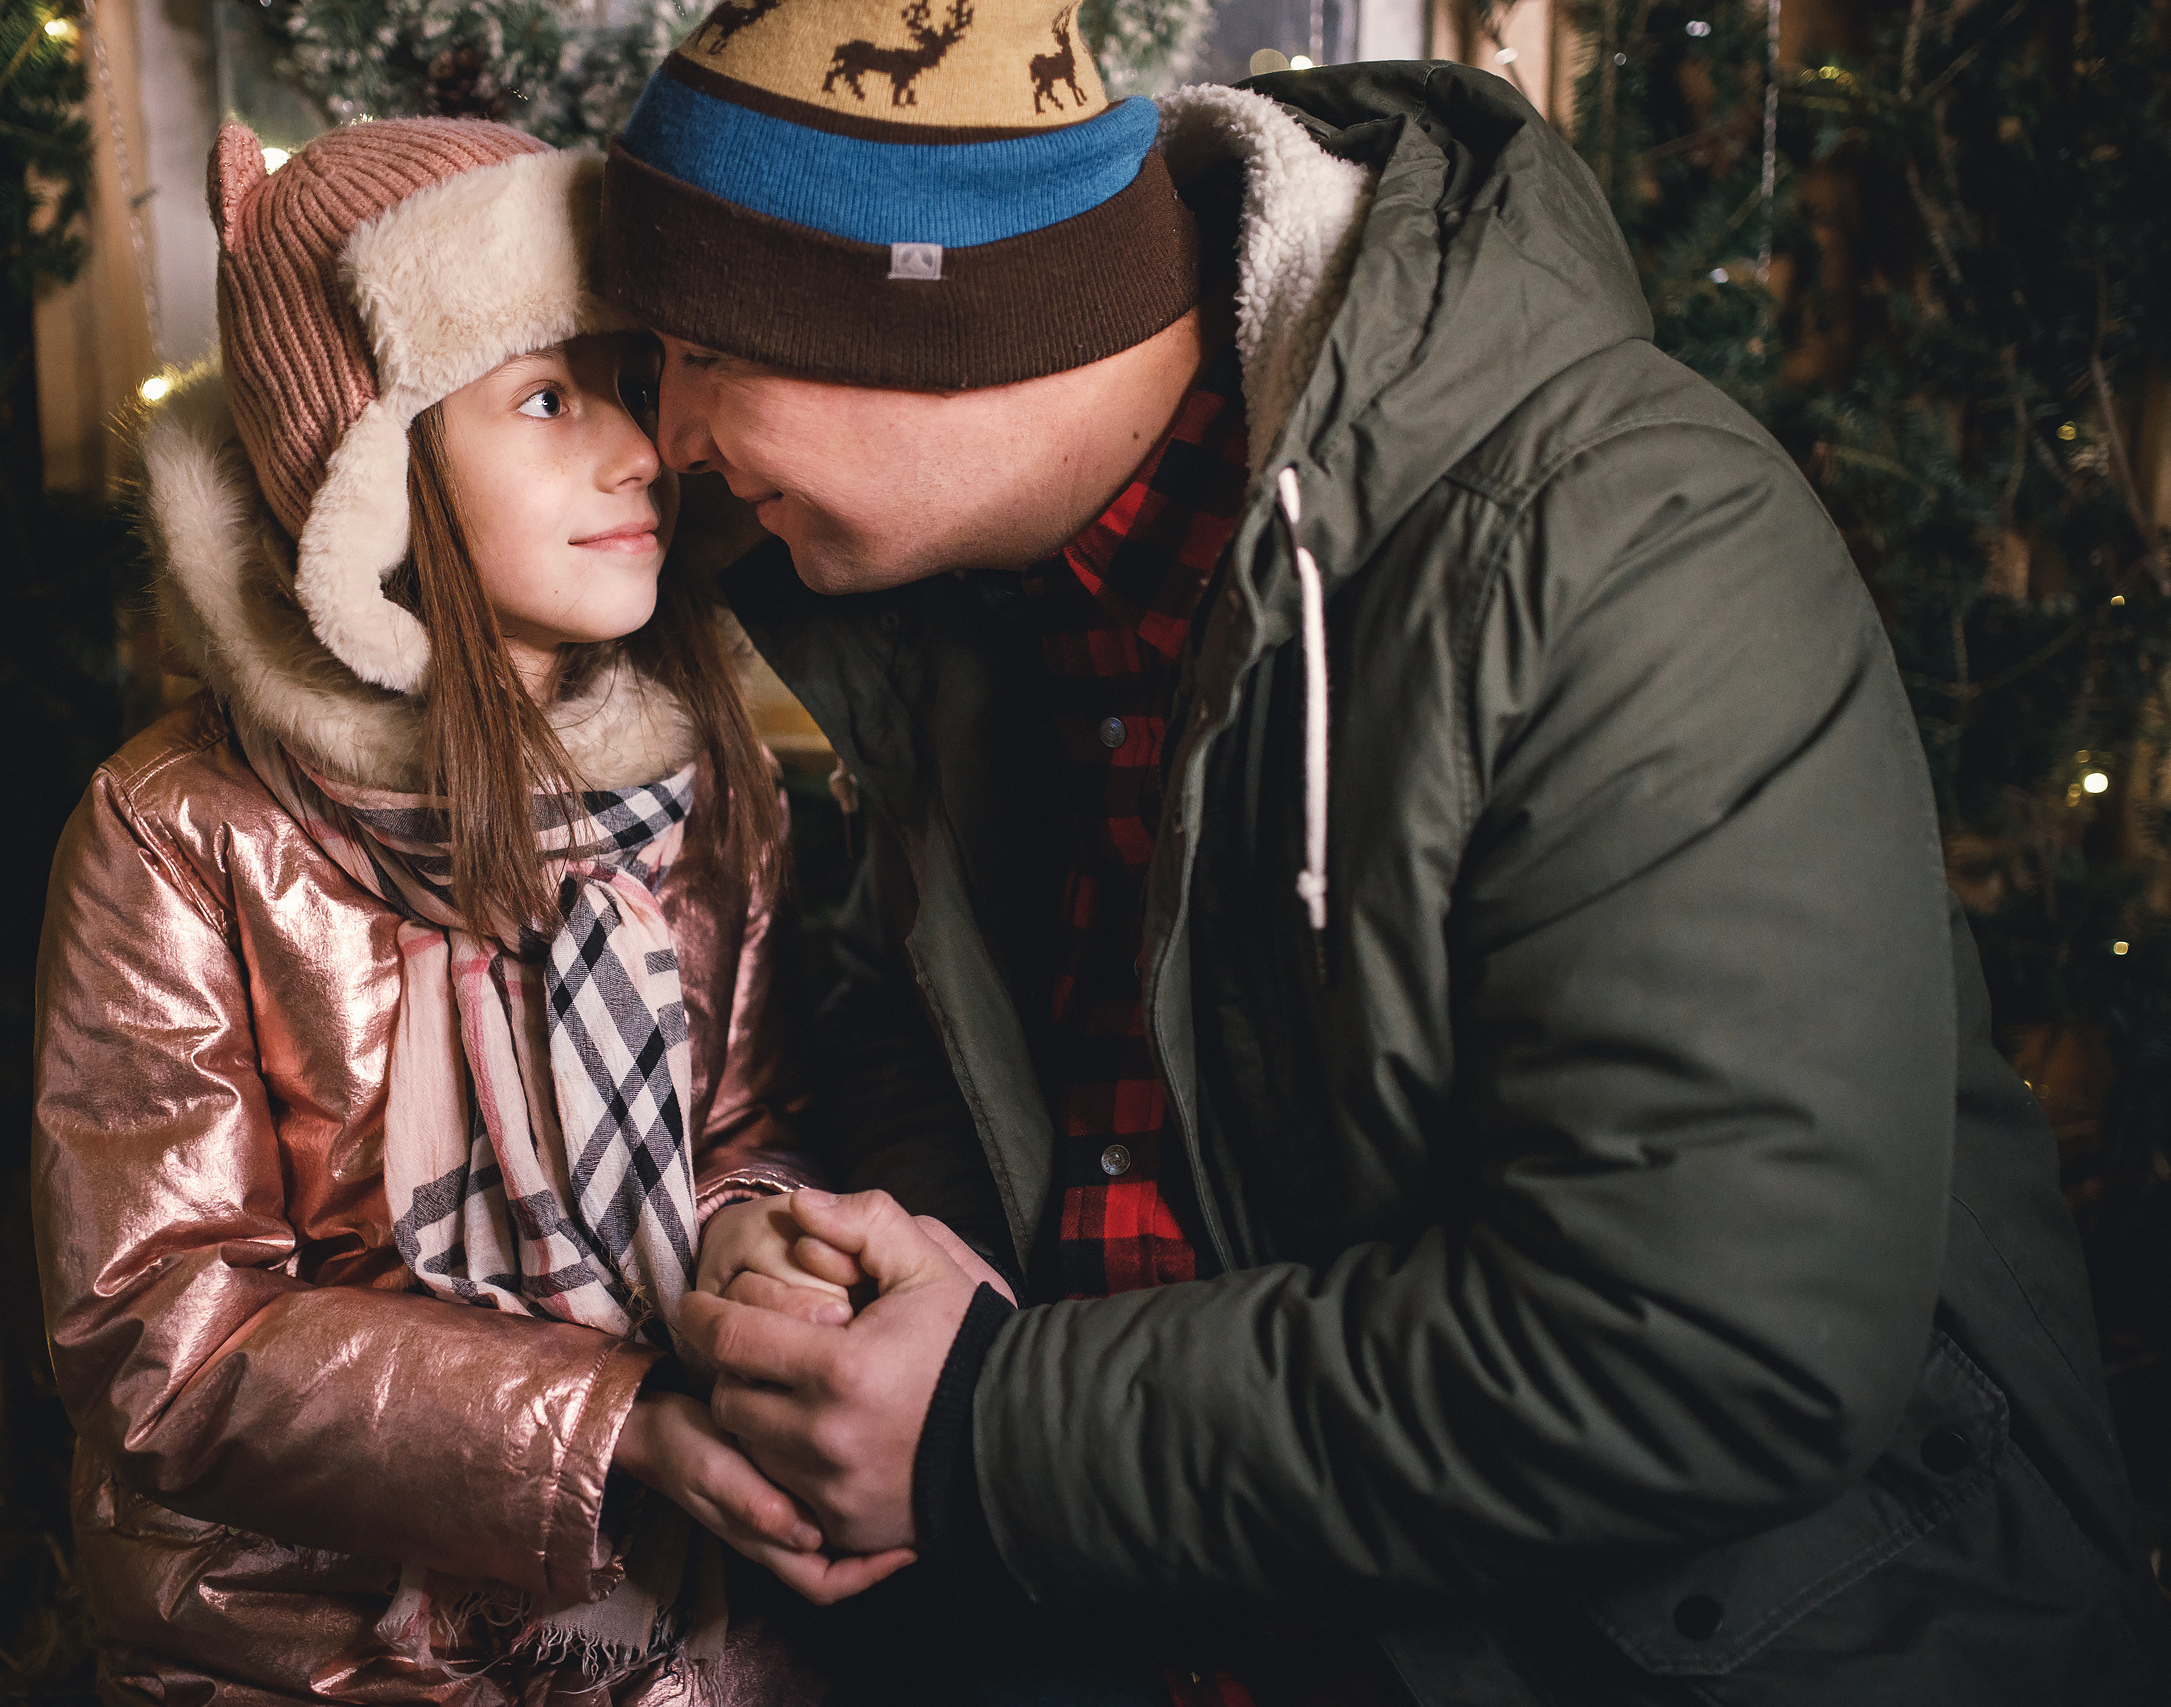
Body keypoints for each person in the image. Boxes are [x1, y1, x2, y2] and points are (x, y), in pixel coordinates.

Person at [596, 11, 2171, 1703]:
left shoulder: (1623, 548)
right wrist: (858, 1263)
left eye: (700, 349)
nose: (667, 438)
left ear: (918, 317)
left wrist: (986, 1431)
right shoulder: (956, 608)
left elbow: (1719, 1347)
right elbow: (917, 1020)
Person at [30, 117, 893, 1705]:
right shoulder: (184, 827)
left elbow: (741, 1128)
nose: (639, 449)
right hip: (310, 1649)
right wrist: (620, 1421)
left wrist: (759, 1241)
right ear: (376, 473)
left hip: (677, 1641)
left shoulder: (705, 786)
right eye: (547, 399)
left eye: (631, 385)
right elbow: (165, 1334)